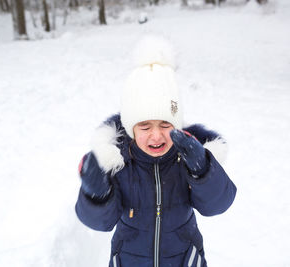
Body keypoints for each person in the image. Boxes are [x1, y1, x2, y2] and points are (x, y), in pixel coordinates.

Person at [75, 36, 237, 267]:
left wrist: (203, 170)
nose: (156, 135)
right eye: (144, 126)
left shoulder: (187, 158)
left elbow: (216, 205)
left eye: (165, 125)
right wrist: (96, 195)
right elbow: (102, 223)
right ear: (131, 128)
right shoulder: (120, 162)